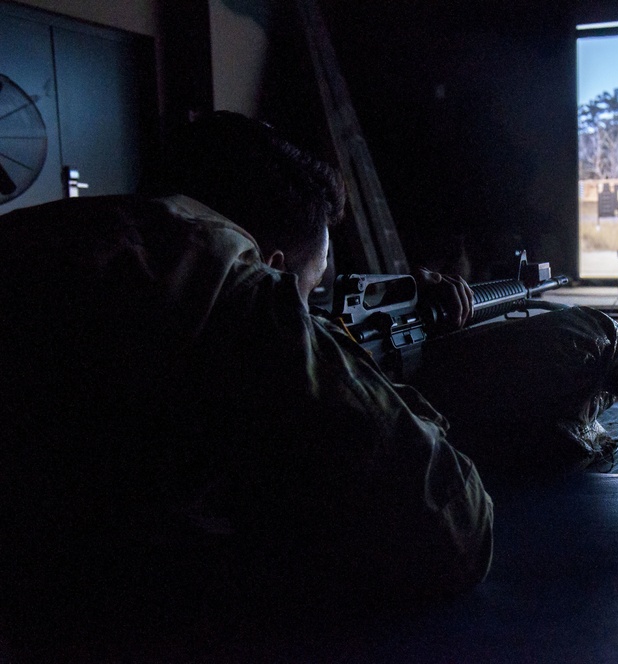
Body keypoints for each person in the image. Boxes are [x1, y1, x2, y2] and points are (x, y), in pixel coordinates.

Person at [0, 112, 492, 649]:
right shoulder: (221, 275)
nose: (308, 312)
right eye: (307, 291)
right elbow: (458, 530)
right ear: (271, 268)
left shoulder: (71, 240)